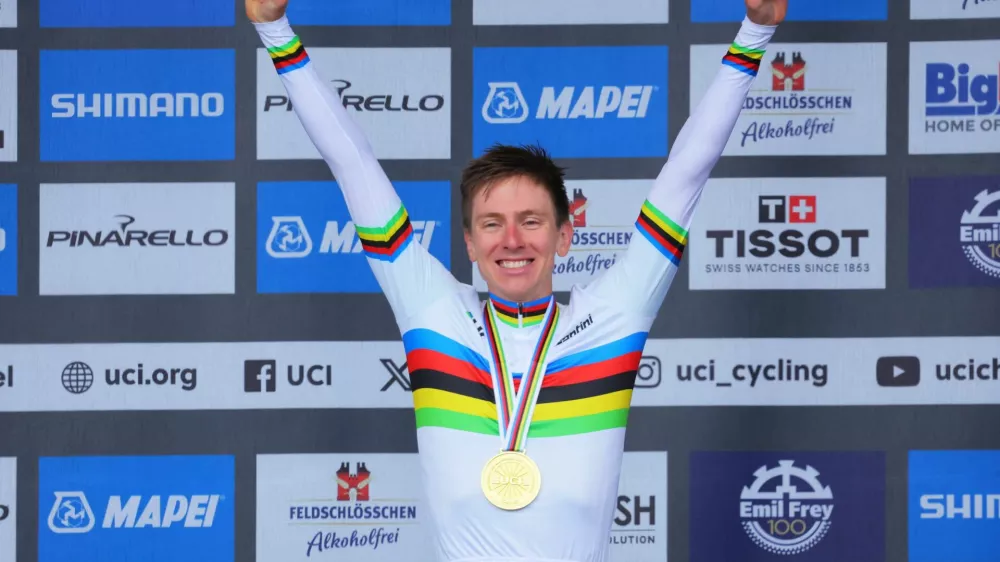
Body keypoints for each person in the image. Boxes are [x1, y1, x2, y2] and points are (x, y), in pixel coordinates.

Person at [247, 0, 785, 560]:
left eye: (531, 221)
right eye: (492, 224)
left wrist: (755, 34)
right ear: (469, 244)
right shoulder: (432, 313)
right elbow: (352, 165)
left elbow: (686, 174)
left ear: (564, 236)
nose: (512, 240)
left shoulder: (613, 320)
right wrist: (274, 30)